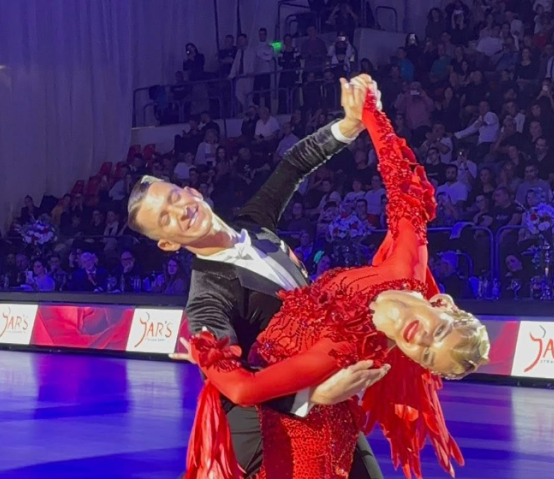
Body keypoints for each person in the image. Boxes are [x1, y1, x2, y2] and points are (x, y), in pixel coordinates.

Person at [180, 87, 489, 478]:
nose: (422, 340)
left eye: (426, 356)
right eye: (439, 331)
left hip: (304, 438)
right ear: (443, 303)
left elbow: (244, 389)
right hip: (284, 420)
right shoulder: (407, 266)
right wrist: (369, 111)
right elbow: (402, 182)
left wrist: (210, 360)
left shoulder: (344, 348)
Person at [127, 75, 389, 478]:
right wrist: (312, 395)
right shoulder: (207, 300)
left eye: (175, 198)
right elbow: (236, 385)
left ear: (193, 191)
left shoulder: (256, 224)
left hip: (335, 403)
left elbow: (294, 164)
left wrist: (350, 124)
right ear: (167, 244)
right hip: (276, 434)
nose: (179, 211)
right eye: (165, 219)